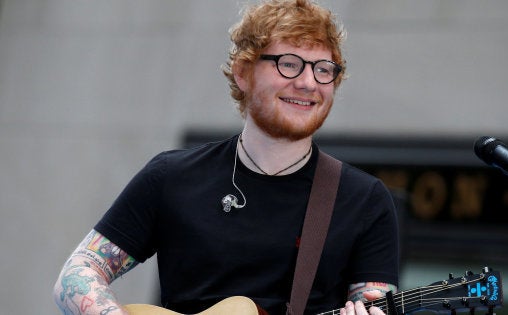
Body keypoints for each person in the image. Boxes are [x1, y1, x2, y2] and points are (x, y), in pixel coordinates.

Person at [53, 0, 399, 314]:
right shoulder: (171, 176)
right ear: (243, 73)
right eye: (289, 64)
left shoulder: (364, 200)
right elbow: (78, 272)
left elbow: (375, 302)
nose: (309, 82)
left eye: (323, 69)